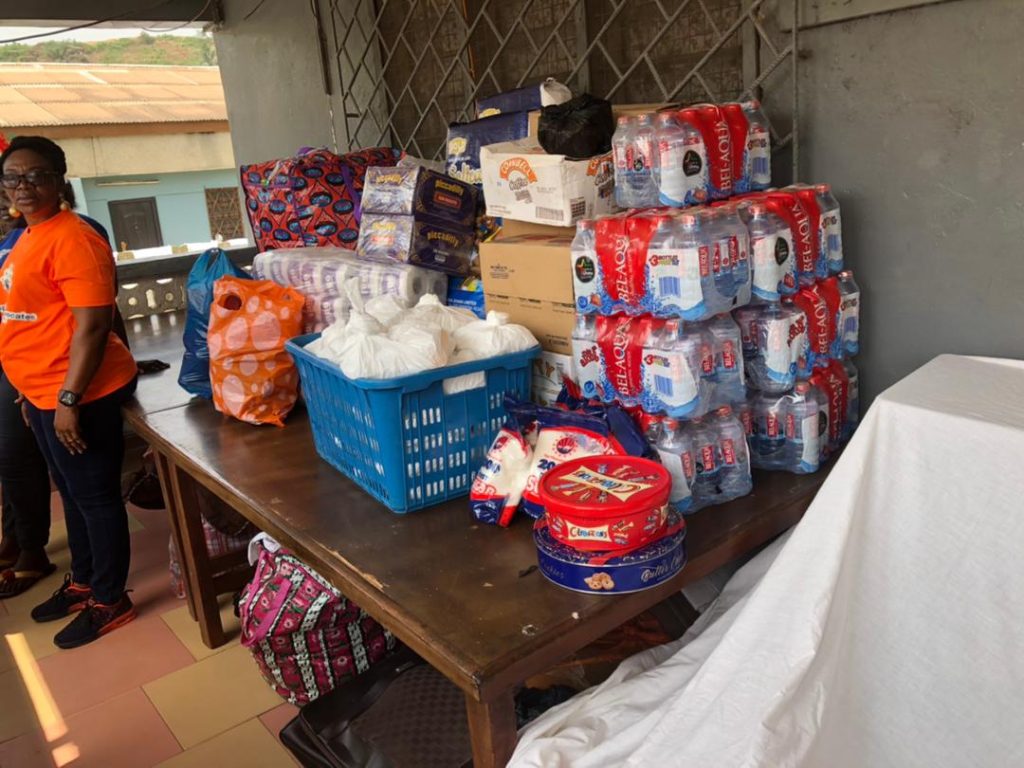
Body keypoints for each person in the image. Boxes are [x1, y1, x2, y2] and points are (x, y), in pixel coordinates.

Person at [0, 136, 138, 648]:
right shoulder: (29, 234)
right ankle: (83, 581)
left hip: (81, 392)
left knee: (96, 498)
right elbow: (32, 319)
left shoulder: (75, 238)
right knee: (72, 493)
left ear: (60, 180)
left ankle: (110, 599)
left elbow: (94, 327)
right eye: (13, 177)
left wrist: (68, 399)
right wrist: (30, 389)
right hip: (40, 391)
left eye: (37, 175)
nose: (24, 186)